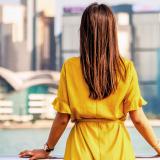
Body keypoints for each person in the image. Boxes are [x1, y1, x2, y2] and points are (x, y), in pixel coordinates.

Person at [19, 3, 160, 160]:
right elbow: (138, 118)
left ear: (84, 33)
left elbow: (62, 118)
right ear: (112, 32)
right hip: (118, 149)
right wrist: (158, 147)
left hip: (80, 149)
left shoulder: (70, 67)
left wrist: (47, 149)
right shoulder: (126, 68)